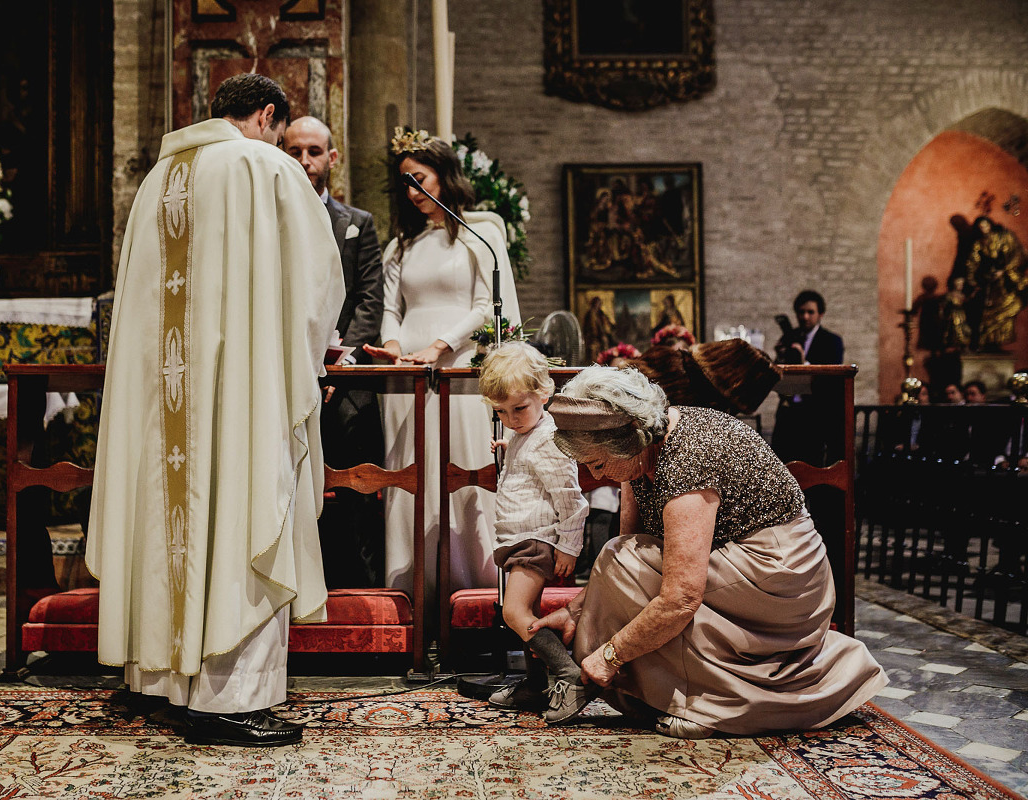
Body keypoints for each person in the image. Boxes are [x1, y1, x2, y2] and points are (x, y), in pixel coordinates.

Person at [87, 74, 345, 747]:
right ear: (266, 117)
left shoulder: (158, 179)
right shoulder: (264, 166)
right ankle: (229, 698)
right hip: (241, 392)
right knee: (240, 510)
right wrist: (301, 362)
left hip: (162, 398)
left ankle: (163, 682)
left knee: (165, 517)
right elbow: (319, 282)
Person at [530, 365, 888, 737]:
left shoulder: (688, 460)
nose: (597, 474)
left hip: (783, 573)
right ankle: (635, 686)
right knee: (620, 558)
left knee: (634, 568)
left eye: (598, 463)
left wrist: (610, 655)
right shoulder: (643, 453)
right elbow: (625, 558)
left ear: (628, 441)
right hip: (742, 561)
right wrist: (575, 609)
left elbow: (680, 598)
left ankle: (711, 705)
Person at [364, 128, 521, 595]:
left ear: (444, 176)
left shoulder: (481, 231)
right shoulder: (401, 245)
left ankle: (475, 586)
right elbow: (391, 309)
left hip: (459, 368)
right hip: (406, 374)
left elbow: (485, 304)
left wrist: (440, 345)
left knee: (460, 467)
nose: (412, 192)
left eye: (420, 179)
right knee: (410, 470)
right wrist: (392, 347)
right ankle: (414, 586)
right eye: (405, 184)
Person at [285, 115, 386, 588]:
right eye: (295, 151)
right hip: (288, 377)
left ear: (332, 157)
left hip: (344, 382)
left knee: (356, 488)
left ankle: (360, 591)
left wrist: (335, 364)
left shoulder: (357, 223)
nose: (304, 160)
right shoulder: (270, 219)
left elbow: (369, 299)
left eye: (313, 151)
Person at [477, 342, 592, 723]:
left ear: (545, 392)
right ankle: (535, 685)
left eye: (519, 408)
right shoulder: (528, 436)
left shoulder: (549, 440)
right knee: (525, 614)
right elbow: (529, 452)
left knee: (513, 612)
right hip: (519, 539)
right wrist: (510, 445)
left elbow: (572, 500)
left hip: (536, 539)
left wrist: (569, 548)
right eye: (501, 412)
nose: (511, 418)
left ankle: (568, 674)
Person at [771, 290, 845, 467]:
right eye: (801, 312)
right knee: (783, 465)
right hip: (788, 413)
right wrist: (779, 356)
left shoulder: (832, 341)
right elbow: (777, 374)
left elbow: (831, 377)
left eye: (810, 312)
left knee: (811, 465)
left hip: (815, 413)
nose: (805, 316)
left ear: (820, 314)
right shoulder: (789, 337)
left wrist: (804, 361)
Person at [965, 216, 1026, 352]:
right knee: (987, 312)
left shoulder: (1005, 236)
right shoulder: (979, 243)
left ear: (991, 225)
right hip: (989, 281)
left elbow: (1018, 254)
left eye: (986, 226)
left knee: (1008, 308)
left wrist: (1004, 270)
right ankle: (988, 342)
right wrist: (972, 280)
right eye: (981, 228)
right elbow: (972, 263)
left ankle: (998, 342)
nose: (984, 229)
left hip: (1007, 281)